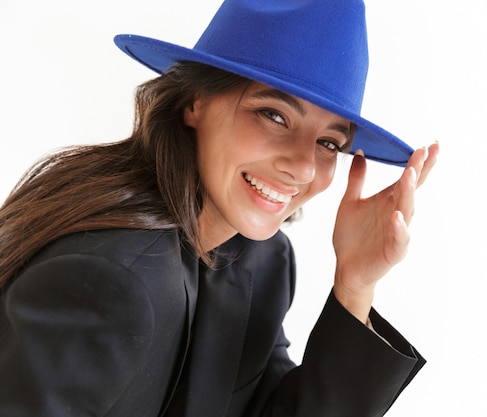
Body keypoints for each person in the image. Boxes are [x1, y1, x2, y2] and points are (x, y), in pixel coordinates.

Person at [0, 0, 439, 416]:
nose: (304, 167)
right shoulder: (111, 278)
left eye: (329, 143)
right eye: (274, 115)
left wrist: (354, 287)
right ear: (195, 101)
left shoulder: (263, 261)